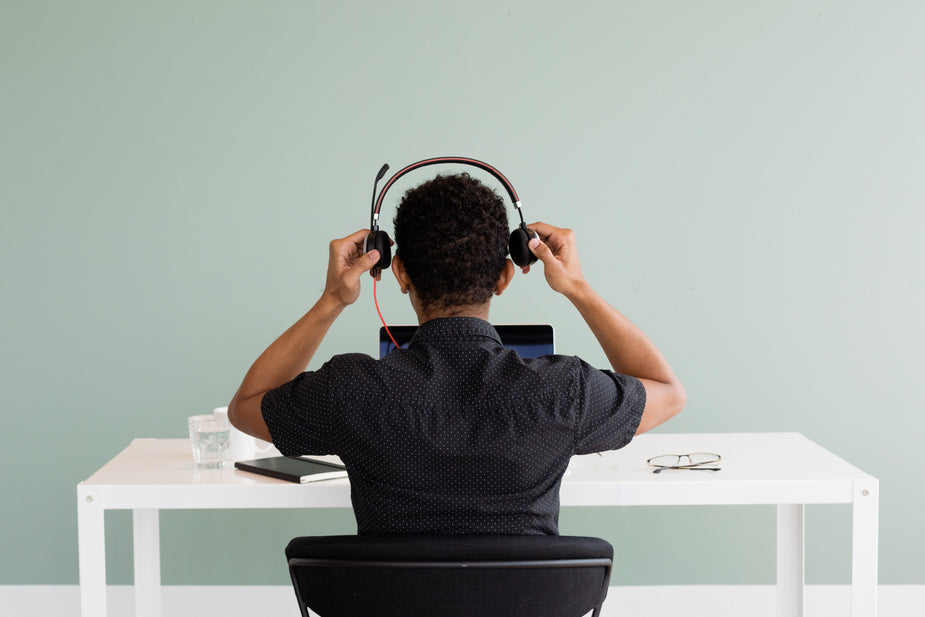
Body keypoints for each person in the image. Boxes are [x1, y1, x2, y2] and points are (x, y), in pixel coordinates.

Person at [228, 173, 685, 535]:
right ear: (505, 277)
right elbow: (668, 392)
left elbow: (246, 407)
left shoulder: (350, 390)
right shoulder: (565, 391)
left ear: (399, 272)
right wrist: (578, 288)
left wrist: (332, 299)